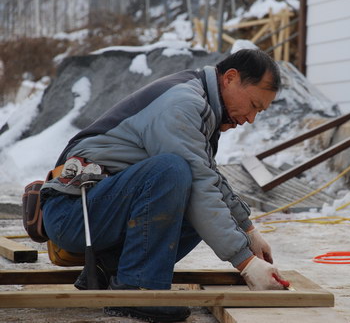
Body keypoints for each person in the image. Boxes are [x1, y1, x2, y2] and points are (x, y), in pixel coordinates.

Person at [40, 49, 286, 322]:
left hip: (94, 210)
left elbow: (208, 176)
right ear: (230, 78)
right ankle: (138, 287)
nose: (251, 118)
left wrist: (248, 230)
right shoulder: (182, 104)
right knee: (173, 171)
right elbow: (200, 185)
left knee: (187, 181)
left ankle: (107, 268)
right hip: (74, 214)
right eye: (253, 105)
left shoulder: (199, 100)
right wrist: (245, 262)